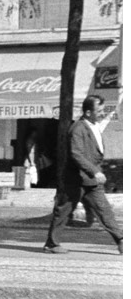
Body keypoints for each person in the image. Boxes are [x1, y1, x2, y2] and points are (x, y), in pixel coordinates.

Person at [45, 94, 123, 254]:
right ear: (88, 112)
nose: (102, 113)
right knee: (64, 211)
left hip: (91, 182)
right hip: (76, 179)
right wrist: (94, 171)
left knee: (104, 210)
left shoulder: (94, 126)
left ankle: (121, 240)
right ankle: (52, 244)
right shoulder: (78, 128)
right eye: (99, 110)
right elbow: (76, 153)